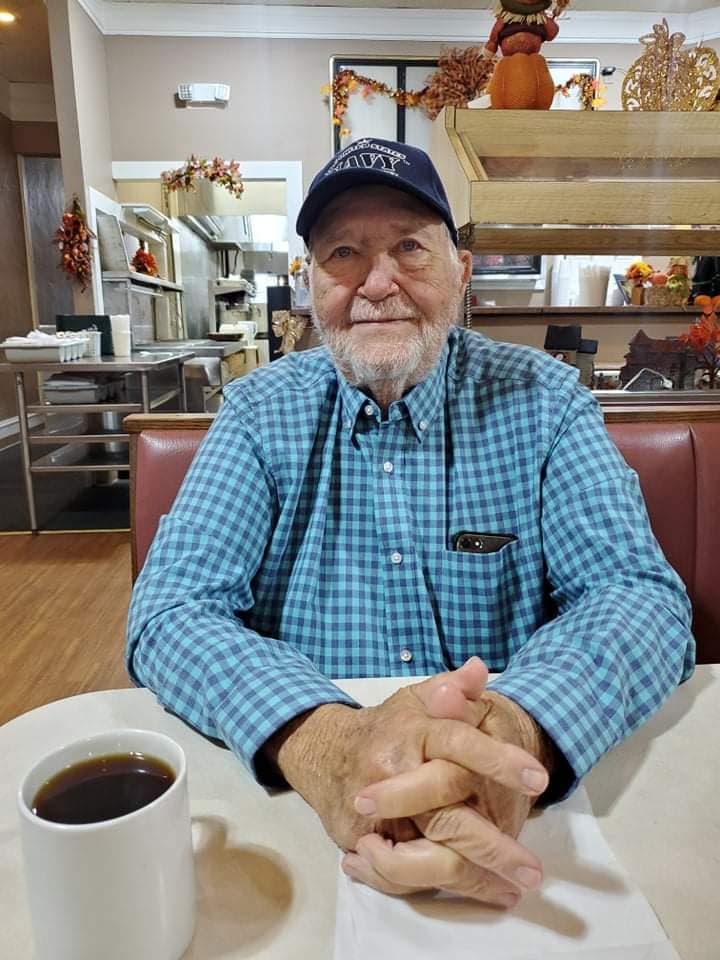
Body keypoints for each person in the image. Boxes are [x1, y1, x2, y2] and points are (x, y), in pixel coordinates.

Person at [127, 138, 694, 909]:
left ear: (461, 271)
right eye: (344, 252)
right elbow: (170, 609)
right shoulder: (257, 413)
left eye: (409, 248)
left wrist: (511, 733)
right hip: (305, 823)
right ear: (310, 284)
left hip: (518, 815)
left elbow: (638, 595)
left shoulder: (548, 404)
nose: (377, 282)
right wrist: (332, 744)